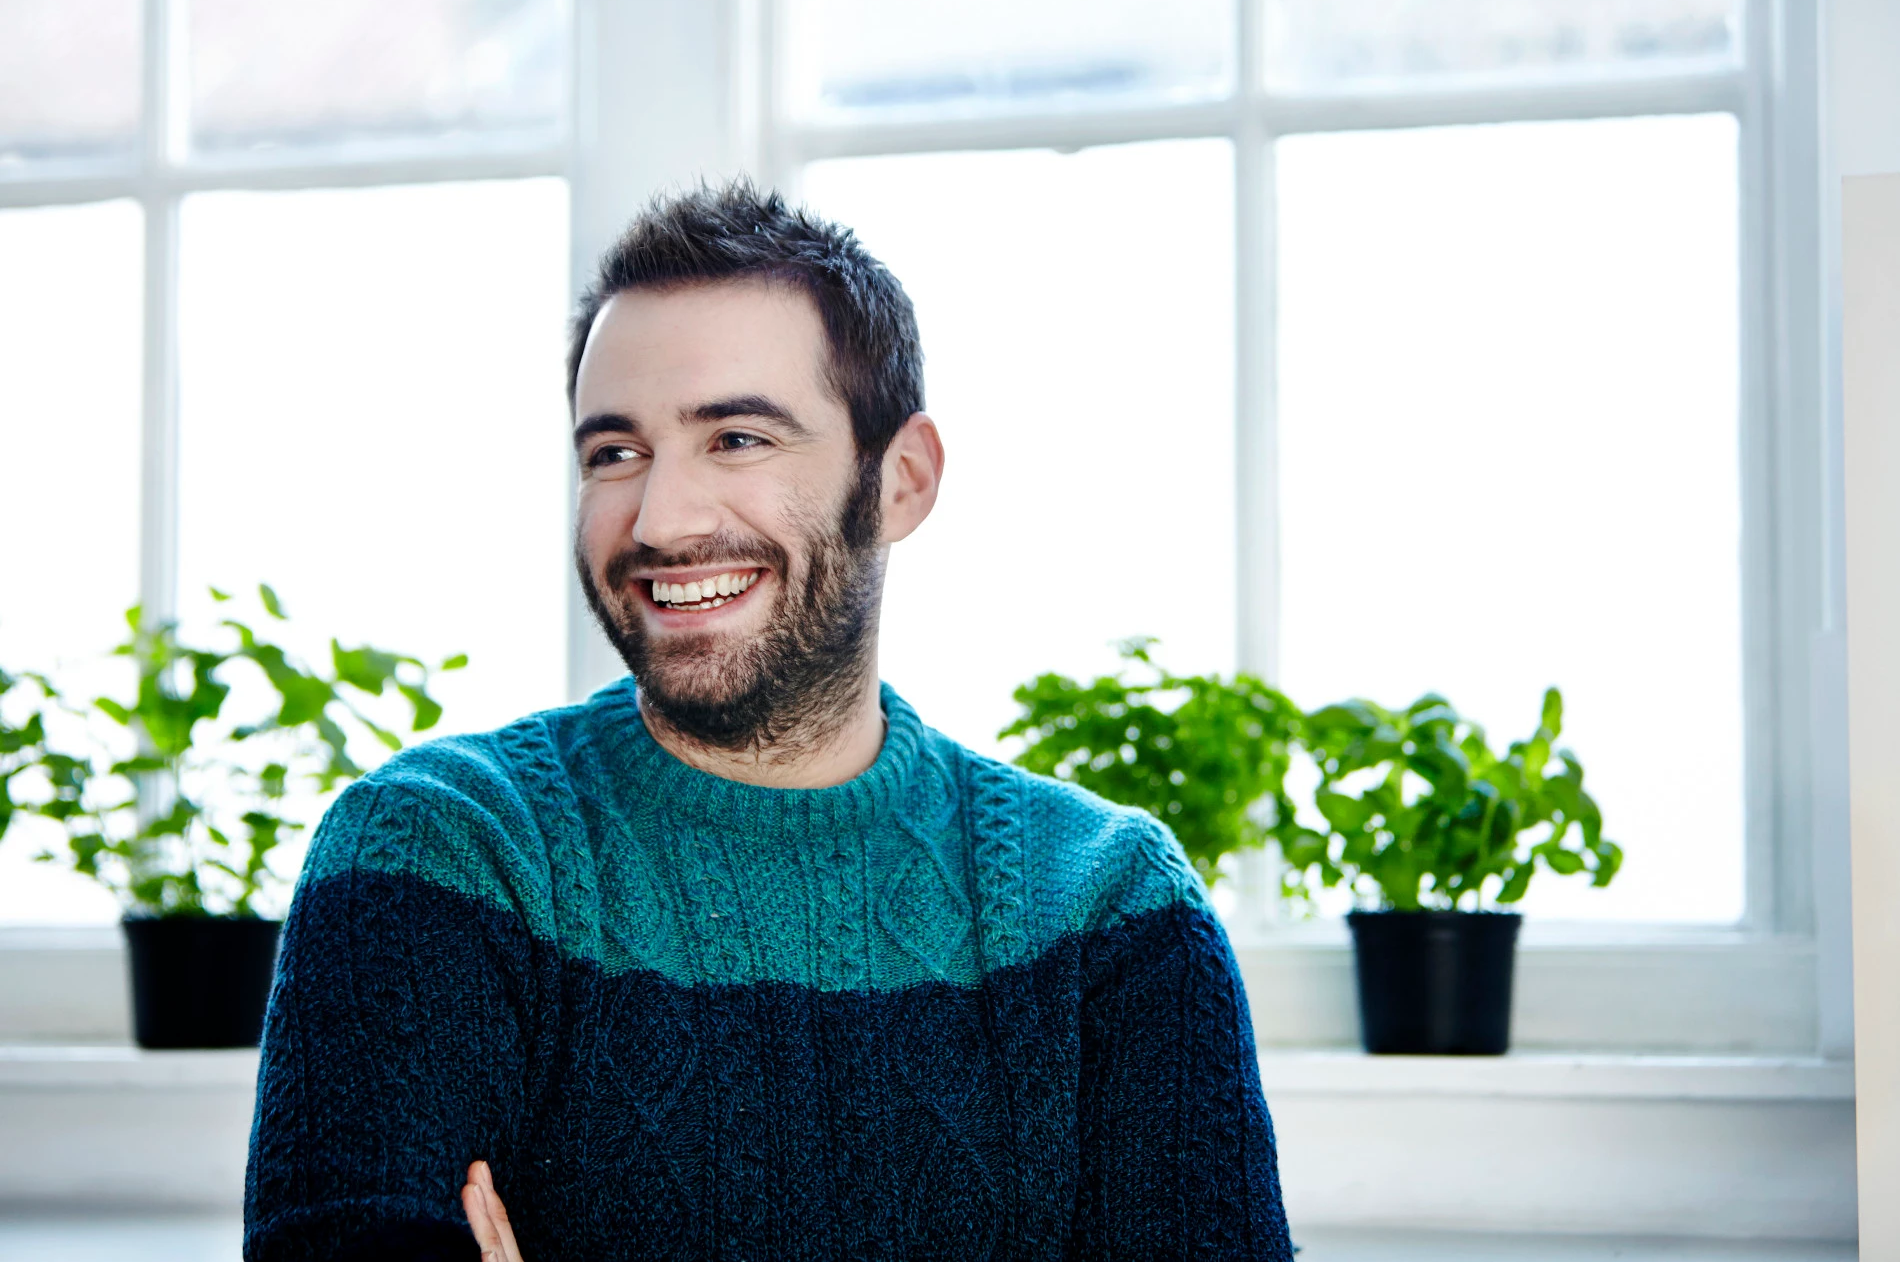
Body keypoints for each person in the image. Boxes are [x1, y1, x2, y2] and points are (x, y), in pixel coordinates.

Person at [243, 182, 1292, 1261]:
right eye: (613, 452)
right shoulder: (438, 850)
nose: (660, 518)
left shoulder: (1107, 906)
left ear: (901, 479)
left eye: (736, 438)